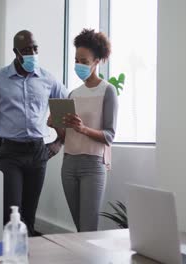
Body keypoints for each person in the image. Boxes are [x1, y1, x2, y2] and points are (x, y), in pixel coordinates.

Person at [0, 30, 68, 236]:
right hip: (11, 154)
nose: (32, 53)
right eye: (26, 50)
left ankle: (26, 256)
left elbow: (67, 110)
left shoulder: (48, 79)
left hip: (39, 152)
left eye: (35, 48)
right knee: (12, 214)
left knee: (29, 218)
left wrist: (59, 142)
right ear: (16, 52)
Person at [48, 29, 118, 232]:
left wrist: (84, 129)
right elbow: (65, 136)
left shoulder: (108, 91)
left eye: (84, 61)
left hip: (93, 165)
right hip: (69, 164)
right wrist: (56, 125)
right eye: (76, 60)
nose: (79, 65)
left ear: (97, 61)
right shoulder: (73, 94)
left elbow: (109, 135)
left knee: (88, 229)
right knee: (79, 230)